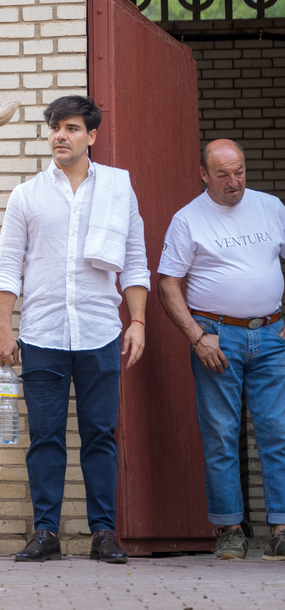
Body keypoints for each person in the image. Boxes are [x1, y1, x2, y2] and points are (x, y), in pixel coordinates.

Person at [0, 96, 149, 565]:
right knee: (45, 437)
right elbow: (6, 269)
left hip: (100, 331)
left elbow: (136, 261)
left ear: (92, 136)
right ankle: (45, 533)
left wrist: (136, 321)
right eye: (55, 127)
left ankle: (103, 534)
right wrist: (3, 329)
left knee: (101, 435)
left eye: (72, 128)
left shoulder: (119, 189)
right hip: (42, 334)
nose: (61, 135)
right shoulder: (27, 195)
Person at [157, 139, 285, 561]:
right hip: (216, 338)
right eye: (224, 175)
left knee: (278, 432)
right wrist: (195, 335)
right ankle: (230, 529)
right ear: (204, 174)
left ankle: (281, 528)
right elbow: (168, 283)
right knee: (220, 436)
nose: (235, 182)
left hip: (272, 335)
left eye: (240, 172)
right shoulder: (187, 220)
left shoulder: (270, 207)